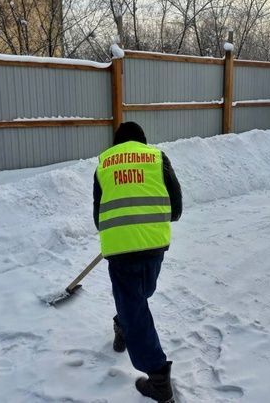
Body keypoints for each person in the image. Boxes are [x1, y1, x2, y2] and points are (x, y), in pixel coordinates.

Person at [93, 122, 182, 403]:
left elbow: (99, 217)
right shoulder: (157, 158)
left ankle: (156, 376)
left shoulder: (104, 164)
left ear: (117, 142)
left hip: (120, 249)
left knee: (134, 303)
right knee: (136, 300)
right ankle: (128, 331)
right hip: (154, 246)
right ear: (142, 141)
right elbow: (176, 208)